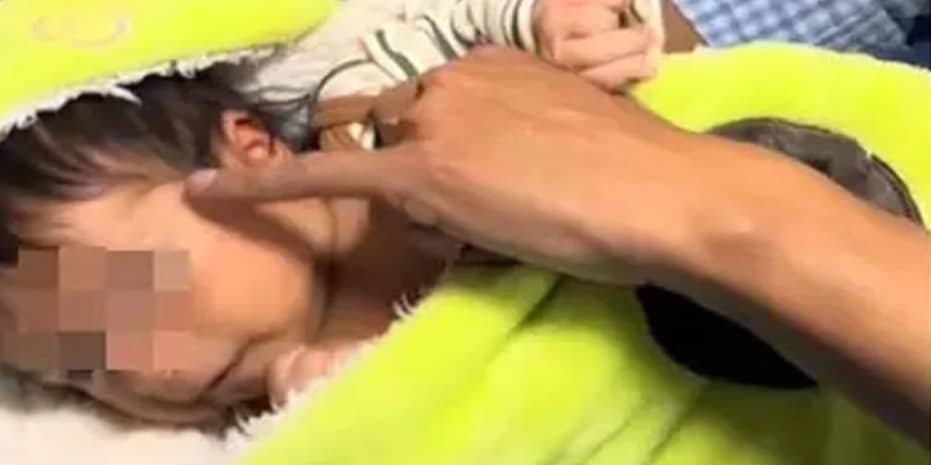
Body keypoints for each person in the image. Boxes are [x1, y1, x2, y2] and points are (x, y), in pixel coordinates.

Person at [186, 48, 931, 445]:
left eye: (135, 278)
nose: (136, 362)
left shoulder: (386, 103)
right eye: (102, 380)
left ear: (246, 147)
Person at [0, 0, 665, 426]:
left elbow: (469, 30)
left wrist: (550, 25)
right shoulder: (281, 417)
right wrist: (354, 415)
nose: (149, 377)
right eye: (84, 372)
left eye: (135, 303)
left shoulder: (380, 111)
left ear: (250, 152)